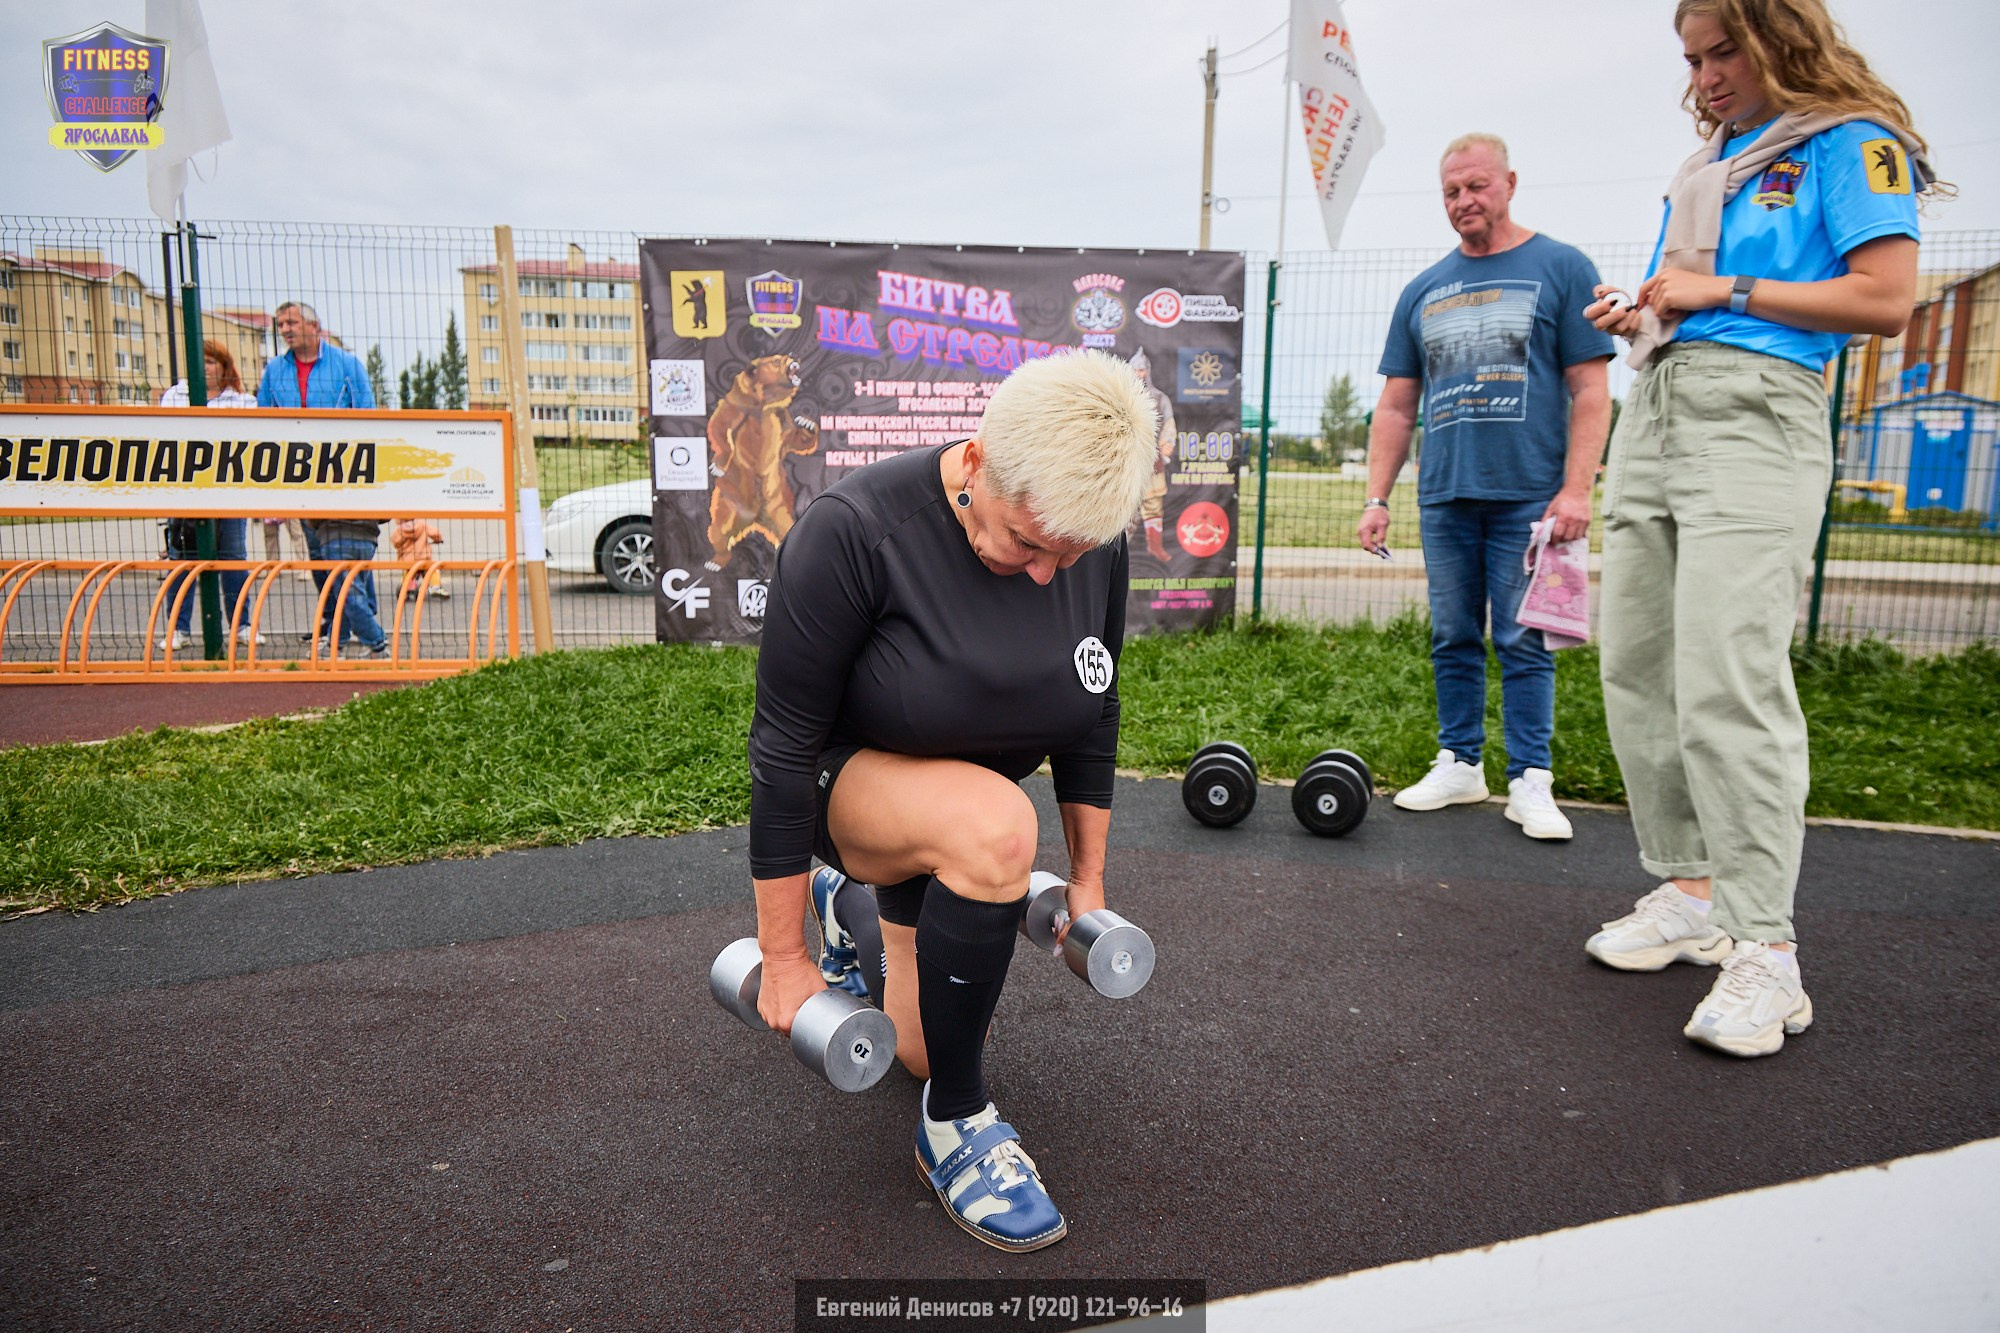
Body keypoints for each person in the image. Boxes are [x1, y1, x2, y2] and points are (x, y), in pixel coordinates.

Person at [1581, 0, 1935, 1057]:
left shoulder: (1850, 141)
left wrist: (1719, 286)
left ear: (1781, 34)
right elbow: (1686, 300)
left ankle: (1767, 952)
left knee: (1728, 675)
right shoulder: (1710, 164)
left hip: (1758, 408)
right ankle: (1692, 893)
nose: (1705, 76)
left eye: (1723, 50)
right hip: (1660, 399)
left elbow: (1886, 298)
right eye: (1692, 59)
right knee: (1639, 665)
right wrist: (1643, 309)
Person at [745, 349, 1157, 1253]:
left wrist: (1088, 879)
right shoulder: (853, 532)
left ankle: (852, 910)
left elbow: (1095, 701)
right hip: (847, 786)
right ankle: (956, 1125)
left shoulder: (1089, 536)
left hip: (954, 822)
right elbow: (781, 748)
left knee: (921, 1044)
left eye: (1069, 555)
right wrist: (781, 956)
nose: (1049, 572)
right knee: (1000, 827)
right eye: (1027, 543)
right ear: (976, 461)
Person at [1358, 134, 1614, 841]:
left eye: (1476, 186)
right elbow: (1396, 406)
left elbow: (1592, 390)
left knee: (1524, 639)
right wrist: (1377, 498)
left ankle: (1531, 779)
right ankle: (1461, 763)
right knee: (1453, 635)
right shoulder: (1424, 289)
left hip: (1530, 497)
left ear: (1509, 183)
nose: (1464, 200)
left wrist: (1577, 490)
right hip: (1445, 496)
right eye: (1451, 191)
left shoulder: (1561, 268)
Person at [257, 301, 386, 657]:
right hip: (301, 479)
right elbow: (263, 421)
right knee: (320, 557)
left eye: (292, 322)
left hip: (343, 477)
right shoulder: (274, 371)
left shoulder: (346, 365)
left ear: (314, 326)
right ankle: (343, 625)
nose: (285, 329)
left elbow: (367, 416)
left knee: (346, 554)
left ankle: (355, 630)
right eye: (280, 324)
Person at [157, 341, 261, 651]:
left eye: (211, 361)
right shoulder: (174, 397)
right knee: (182, 561)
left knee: (233, 560)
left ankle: (241, 626)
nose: (204, 367)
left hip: (230, 495)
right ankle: (178, 629)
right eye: (199, 360)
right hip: (186, 495)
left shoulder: (243, 402)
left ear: (225, 366)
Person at [1129, 347, 1177, 562]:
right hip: (1128, 462)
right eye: (1135, 370)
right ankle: (1119, 550)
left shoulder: (1159, 398)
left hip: (1152, 461)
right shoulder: (1122, 396)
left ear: (1147, 371)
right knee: (1125, 508)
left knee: (1153, 505)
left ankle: (1154, 547)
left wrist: (1165, 447)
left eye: (1142, 370)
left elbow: (1168, 426)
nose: (1139, 374)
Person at [391, 516, 450, 599]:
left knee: (408, 573)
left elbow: (395, 542)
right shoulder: (422, 526)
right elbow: (435, 533)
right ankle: (435, 587)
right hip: (423, 558)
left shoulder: (399, 530)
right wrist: (438, 539)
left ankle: (406, 587)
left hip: (408, 560)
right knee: (432, 571)